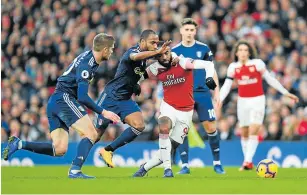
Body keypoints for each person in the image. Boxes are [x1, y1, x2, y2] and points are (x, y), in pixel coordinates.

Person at [3, 33, 121, 179]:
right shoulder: (87, 64)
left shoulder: (88, 57)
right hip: (64, 99)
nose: (112, 52)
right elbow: (82, 96)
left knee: (59, 149)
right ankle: (75, 171)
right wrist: (104, 112)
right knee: (91, 133)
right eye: (111, 48)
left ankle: (19, 144)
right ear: (104, 50)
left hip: (55, 101)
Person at [133, 45, 217, 177]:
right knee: (164, 126)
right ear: (157, 57)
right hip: (168, 106)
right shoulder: (156, 68)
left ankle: (145, 167)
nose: (164, 57)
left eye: (166, 53)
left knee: (169, 147)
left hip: (186, 112)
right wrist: (136, 84)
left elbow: (208, 64)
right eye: (160, 55)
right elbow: (139, 76)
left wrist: (209, 77)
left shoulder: (183, 62)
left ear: (170, 52)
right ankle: (168, 169)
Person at [94, 30, 171, 168]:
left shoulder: (145, 60)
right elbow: (135, 57)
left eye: (157, 43)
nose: (155, 45)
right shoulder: (133, 51)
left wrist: (135, 84)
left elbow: (134, 73)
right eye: (152, 42)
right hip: (110, 97)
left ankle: (107, 150)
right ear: (142, 42)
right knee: (95, 135)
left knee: (139, 125)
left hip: (124, 99)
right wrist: (158, 52)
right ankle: (76, 165)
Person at [219, 40, 299, 170]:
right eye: (240, 50)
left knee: (254, 129)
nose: (243, 52)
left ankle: (247, 161)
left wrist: (285, 92)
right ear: (236, 53)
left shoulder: (257, 64)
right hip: (242, 101)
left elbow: (270, 79)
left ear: (249, 52)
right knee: (244, 132)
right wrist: (219, 99)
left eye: (245, 50)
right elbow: (227, 86)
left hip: (257, 100)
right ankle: (247, 161)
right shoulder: (233, 67)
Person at [172, 18, 224, 174]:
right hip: (183, 94)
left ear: (195, 31)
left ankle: (217, 163)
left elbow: (211, 70)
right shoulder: (174, 50)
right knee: (183, 129)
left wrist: (217, 92)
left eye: (191, 30)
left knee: (211, 127)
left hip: (202, 93)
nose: (189, 33)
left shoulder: (204, 48)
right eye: (186, 30)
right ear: (181, 31)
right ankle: (185, 166)